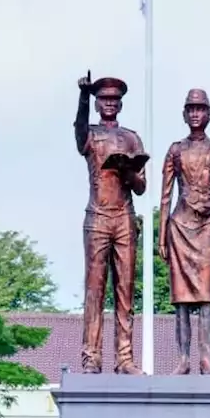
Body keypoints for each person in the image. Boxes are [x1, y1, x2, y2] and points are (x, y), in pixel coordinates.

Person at [157, 88, 210, 374]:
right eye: (190, 109)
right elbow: (165, 195)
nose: (195, 113)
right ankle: (183, 359)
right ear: (184, 114)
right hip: (179, 227)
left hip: (206, 228)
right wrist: (161, 238)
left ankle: (205, 358)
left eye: (200, 109)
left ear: (209, 114)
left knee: (205, 297)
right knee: (181, 299)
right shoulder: (175, 149)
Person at [75, 72, 148, 375]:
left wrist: (128, 171)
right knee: (94, 290)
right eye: (103, 99)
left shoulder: (131, 137)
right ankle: (91, 357)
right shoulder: (90, 133)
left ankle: (125, 358)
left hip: (124, 218)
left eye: (114, 100)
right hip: (97, 218)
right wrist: (81, 96)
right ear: (96, 103)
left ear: (120, 104)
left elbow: (141, 187)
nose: (109, 104)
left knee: (125, 290)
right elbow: (79, 135)